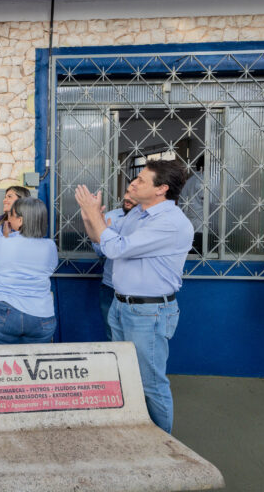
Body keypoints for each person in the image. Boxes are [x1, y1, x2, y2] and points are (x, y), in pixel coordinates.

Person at [75, 159, 193, 434]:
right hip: (121, 304)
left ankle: (163, 448)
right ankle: (137, 434)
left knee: (151, 384)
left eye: (141, 179)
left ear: (161, 189)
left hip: (148, 313)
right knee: (126, 376)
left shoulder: (171, 223)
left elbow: (117, 248)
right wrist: (88, 214)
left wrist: (95, 216)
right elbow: (103, 243)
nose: (133, 183)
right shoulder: (137, 214)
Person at [0, 198, 58, 344]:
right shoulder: (50, 246)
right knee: (34, 364)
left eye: (12, 214)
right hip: (41, 316)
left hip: (4, 313)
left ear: (20, 220)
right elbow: (49, 267)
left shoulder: (4, 243)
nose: (8, 217)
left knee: (5, 363)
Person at [92, 194, 137, 340]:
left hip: (136, 292)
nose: (127, 197)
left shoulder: (148, 221)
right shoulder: (111, 216)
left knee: (137, 339)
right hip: (110, 287)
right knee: (112, 336)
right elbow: (99, 250)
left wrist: (111, 237)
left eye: (133, 194)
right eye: (127, 193)